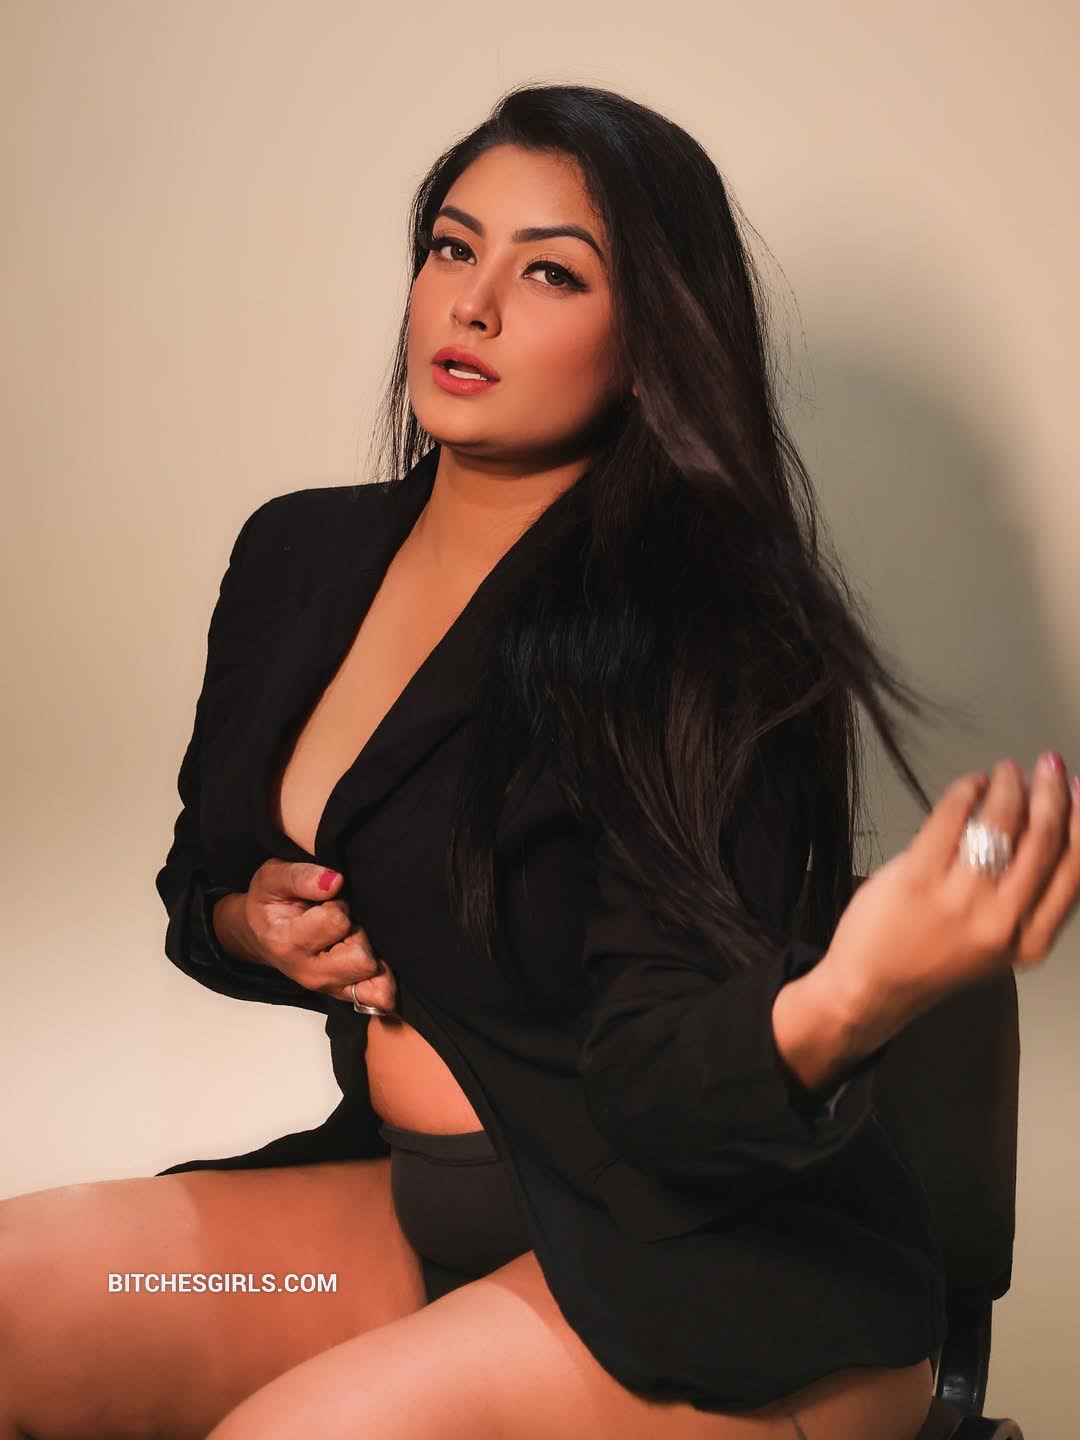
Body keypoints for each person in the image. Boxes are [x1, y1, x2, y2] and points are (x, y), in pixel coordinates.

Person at [3, 82, 1078, 1440]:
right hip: (417, 1221)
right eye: (453, 249)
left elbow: (664, 1085)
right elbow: (197, 880)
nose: (474, 305)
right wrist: (248, 924)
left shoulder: (713, 629)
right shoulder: (296, 556)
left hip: (698, 1275)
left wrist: (854, 994)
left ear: (650, 342)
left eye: (552, 273)